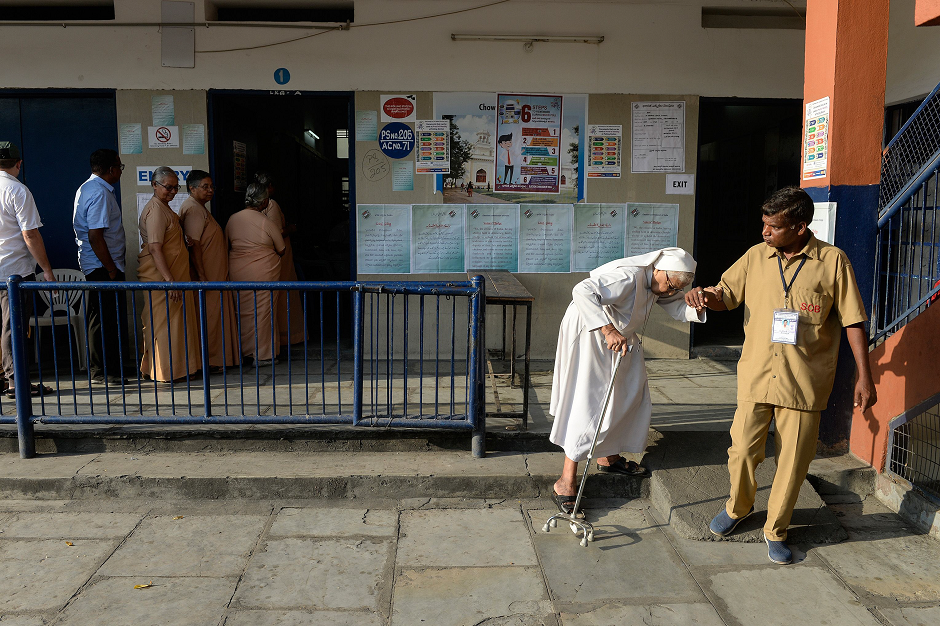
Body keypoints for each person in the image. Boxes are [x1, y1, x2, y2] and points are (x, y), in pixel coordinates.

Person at [685, 186, 877, 565]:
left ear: (800, 226)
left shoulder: (833, 262)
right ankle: (739, 508)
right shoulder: (756, 256)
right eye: (764, 224)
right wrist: (704, 297)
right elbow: (726, 294)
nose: (764, 232)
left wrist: (864, 376)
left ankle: (776, 529)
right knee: (741, 450)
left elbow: (853, 320)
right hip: (757, 374)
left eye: (773, 227)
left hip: (804, 382)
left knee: (792, 461)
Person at [550, 248, 703, 517]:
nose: (669, 292)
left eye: (676, 288)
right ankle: (566, 481)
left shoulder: (659, 284)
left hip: (620, 336)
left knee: (632, 392)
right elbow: (582, 290)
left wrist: (701, 301)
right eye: (670, 285)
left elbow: (678, 305)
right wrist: (607, 330)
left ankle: (607, 455)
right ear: (659, 270)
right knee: (591, 401)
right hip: (591, 333)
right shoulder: (628, 277)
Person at [0, 141, 55, 398]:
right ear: (18, 164)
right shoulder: (18, 190)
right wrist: (46, 269)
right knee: (14, 328)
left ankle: (4, 378)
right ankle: (16, 383)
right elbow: (30, 234)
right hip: (14, 272)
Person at [137, 166, 200, 382]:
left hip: (171, 276)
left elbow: (168, 239)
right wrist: (170, 281)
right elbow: (155, 248)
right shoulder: (155, 210)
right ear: (155, 185)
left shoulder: (164, 208)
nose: (173, 192)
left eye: (176, 188)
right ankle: (165, 371)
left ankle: (173, 368)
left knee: (176, 324)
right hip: (163, 278)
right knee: (164, 325)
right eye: (168, 187)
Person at [73, 148, 129, 384]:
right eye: (120, 166)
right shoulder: (100, 193)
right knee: (104, 318)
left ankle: (109, 369)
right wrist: (111, 269)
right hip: (102, 266)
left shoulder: (89, 188)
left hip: (100, 264)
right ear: (111, 170)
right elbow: (96, 236)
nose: (120, 171)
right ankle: (104, 371)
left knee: (105, 317)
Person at [179, 170, 239, 371]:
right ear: (192, 188)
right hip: (207, 277)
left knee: (214, 317)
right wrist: (203, 275)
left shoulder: (199, 208)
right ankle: (211, 360)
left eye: (212, 186)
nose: (210, 190)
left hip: (214, 275)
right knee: (210, 318)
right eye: (205, 186)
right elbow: (194, 244)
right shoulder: (193, 209)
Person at [226, 182, 285, 365]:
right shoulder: (266, 221)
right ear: (265, 202)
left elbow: (227, 244)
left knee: (241, 310)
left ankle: (243, 351)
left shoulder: (233, 219)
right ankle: (263, 355)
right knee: (263, 312)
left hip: (237, 269)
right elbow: (281, 248)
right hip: (263, 271)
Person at [255, 172, 305, 347]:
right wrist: (291, 228)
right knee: (284, 292)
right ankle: (286, 336)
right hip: (279, 254)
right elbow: (277, 233)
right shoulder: (272, 204)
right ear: (269, 187)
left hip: (267, 255)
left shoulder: (253, 209)